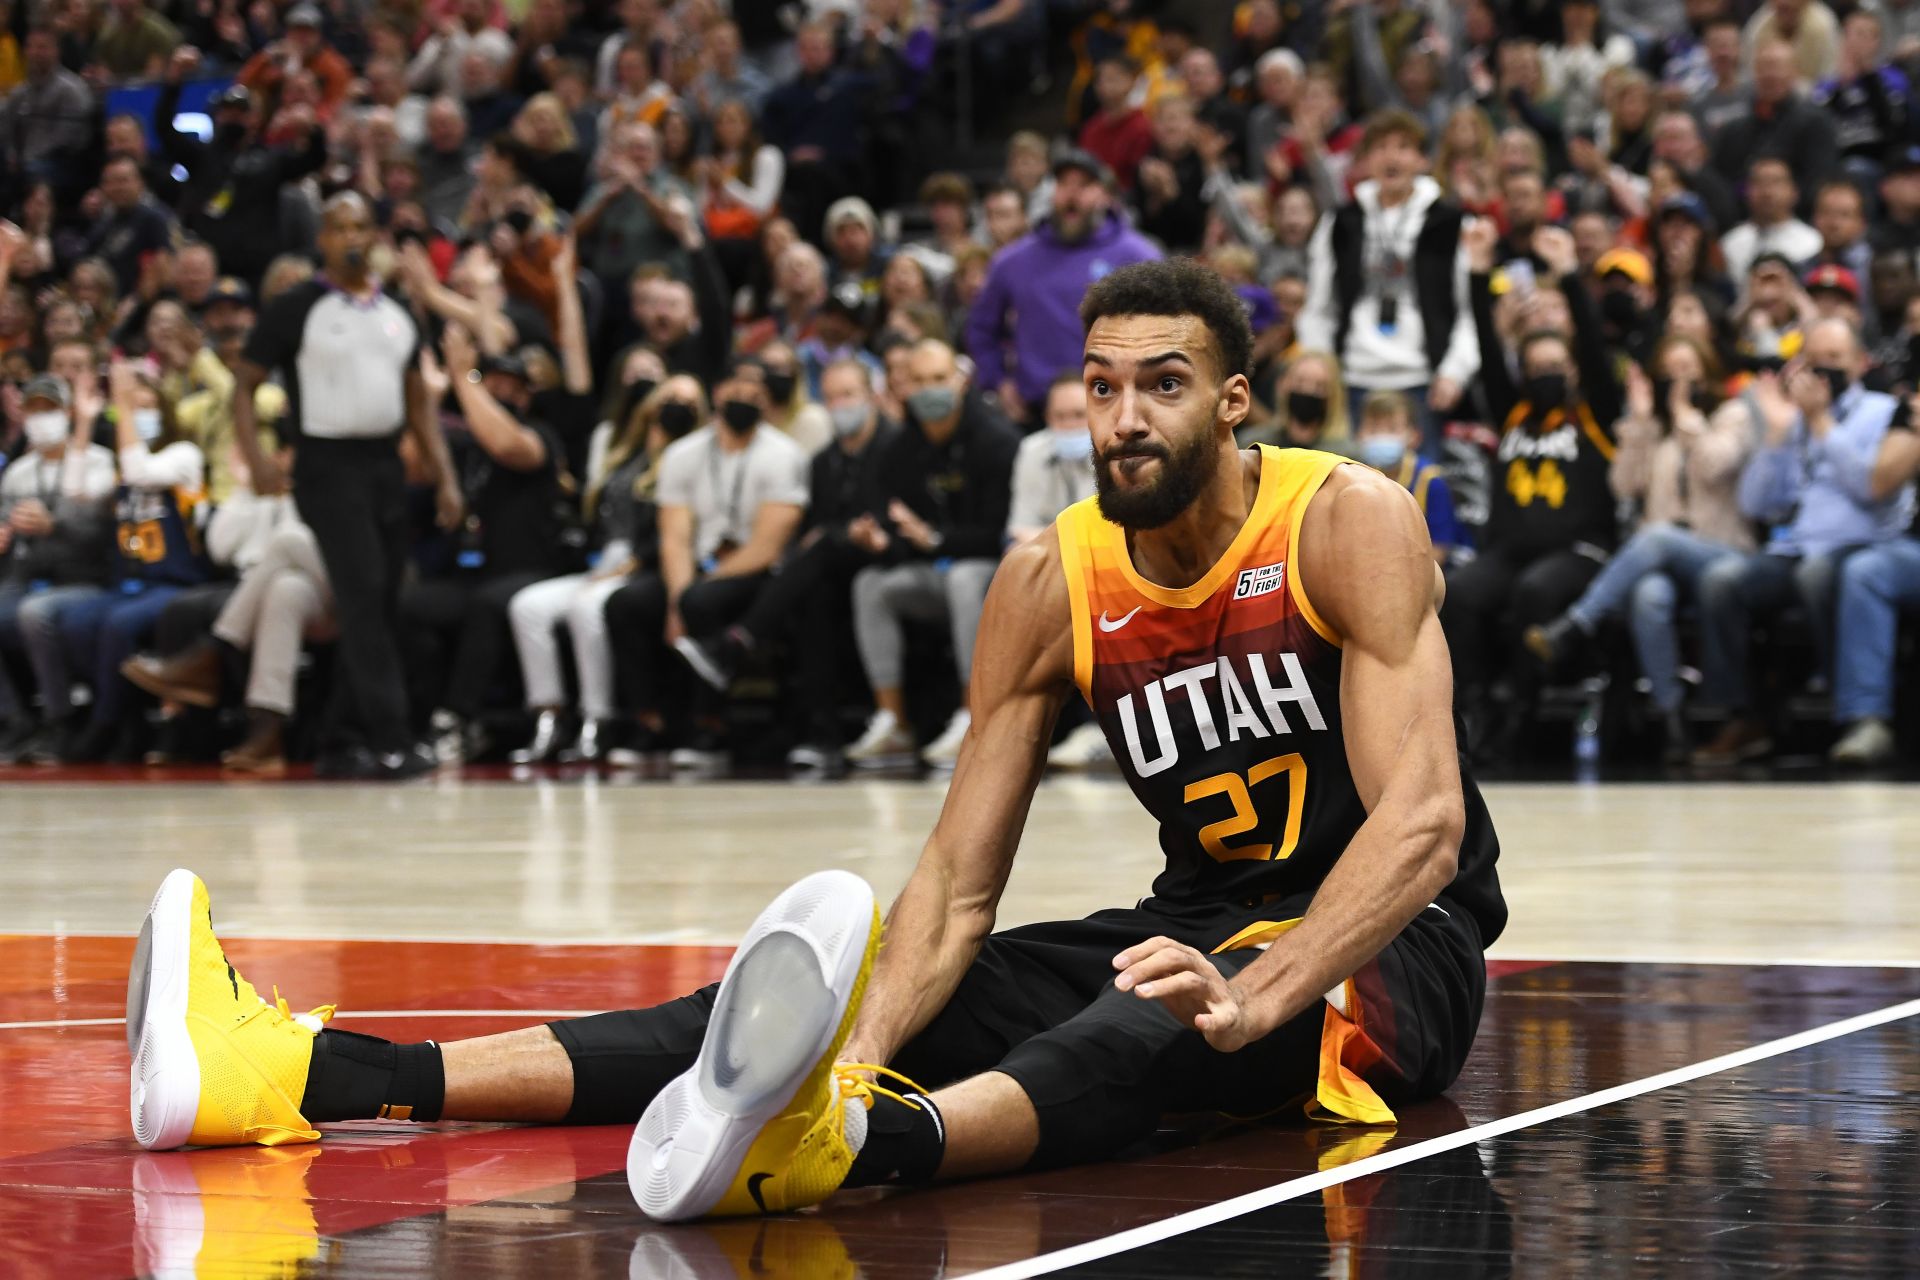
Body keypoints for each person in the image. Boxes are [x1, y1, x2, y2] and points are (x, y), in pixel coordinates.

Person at [130, 260, 1504, 1232]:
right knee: (778, 1017)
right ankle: (298, 1070)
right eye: (1102, 387)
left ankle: (854, 1150)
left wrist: (1264, 995)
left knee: (1141, 1021)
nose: (1128, 418)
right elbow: (960, 884)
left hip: (1388, 948)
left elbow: (1424, 827)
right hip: (1197, 913)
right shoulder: (1052, 578)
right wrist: (867, 1037)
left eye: (1162, 386)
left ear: (1235, 401)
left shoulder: (1345, 522)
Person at [233, 192, 461, 780]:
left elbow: (418, 402)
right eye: (340, 227)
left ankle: (338, 740)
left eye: (362, 225)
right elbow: (244, 382)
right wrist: (257, 457)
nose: (352, 236)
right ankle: (391, 739)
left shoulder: (397, 314)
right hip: (326, 465)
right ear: (323, 240)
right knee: (361, 597)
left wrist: (445, 477)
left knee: (383, 604)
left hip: (385, 464)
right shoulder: (297, 307)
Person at [1691, 319, 1916, 765]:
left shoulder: (1883, 411)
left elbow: (1873, 488)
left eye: (1835, 360)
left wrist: (1822, 425)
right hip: (1794, 549)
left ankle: (1848, 706)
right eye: (1815, 362)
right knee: (1721, 580)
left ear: (1860, 362)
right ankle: (1745, 715)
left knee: (1826, 575)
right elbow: (1755, 502)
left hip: (1863, 543)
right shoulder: (1793, 420)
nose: (1824, 371)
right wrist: (1777, 435)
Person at [1524, 337, 1758, 762]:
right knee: (1648, 596)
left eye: (1688, 370)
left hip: (1724, 553)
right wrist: (1641, 424)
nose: (1678, 382)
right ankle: (1673, 721)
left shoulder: (1732, 415)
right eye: (1669, 372)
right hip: (1663, 562)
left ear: (1707, 372)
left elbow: (1715, 464)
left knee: (1654, 536)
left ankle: (1578, 623)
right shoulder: (1656, 430)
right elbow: (1622, 486)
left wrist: (1688, 419)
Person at [1446, 221, 1622, 755]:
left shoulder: (1594, 414)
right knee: (1459, 593)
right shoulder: (1514, 412)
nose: (1547, 373)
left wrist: (1569, 276)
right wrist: (1478, 274)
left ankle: (1521, 703)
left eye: (1556, 366)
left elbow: (1592, 349)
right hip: (1510, 551)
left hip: (1579, 551)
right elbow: (1485, 342)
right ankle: (1475, 704)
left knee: (1536, 592)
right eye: (1537, 365)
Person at [674, 359, 898, 769]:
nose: (840, 405)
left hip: (886, 558)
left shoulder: (896, 446)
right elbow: (815, 530)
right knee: (813, 593)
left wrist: (853, 533)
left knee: (821, 555)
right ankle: (817, 734)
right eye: (831, 397)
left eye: (849, 394)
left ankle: (738, 643)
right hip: (829, 571)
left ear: (872, 396)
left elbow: (894, 517)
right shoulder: (823, 460)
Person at [603, 360, 808, 768]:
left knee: (702, 602)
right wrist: (678, 596)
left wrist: (698, 590)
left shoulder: (786, 454)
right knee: (624, 605)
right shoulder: (683, 454)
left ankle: (708, 726)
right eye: (738, 390)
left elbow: (768, 546)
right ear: (717, 394)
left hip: (757, 573)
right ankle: (650, 721)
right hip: (694, 568)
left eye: (756, 393)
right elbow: (675, 537)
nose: (745, 399)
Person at [505, 376, 701, 765]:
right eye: (669, 397)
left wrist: (633, 563)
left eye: (687, 401)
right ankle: (549, 717)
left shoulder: (692, 457)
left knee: (587, 608)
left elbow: (678, 530)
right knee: (528, 606)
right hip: (603, 563)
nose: (675, 406)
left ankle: (597, 721)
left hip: (647, 565)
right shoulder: (622, 451)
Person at [842, 340, 1018, 768]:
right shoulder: (902, 448)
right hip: (935, 571)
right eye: (918, 381)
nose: (928, 390)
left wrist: (936, 540)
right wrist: (886, 543)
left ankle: (971, 717)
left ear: (960, 381)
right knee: (871, 584)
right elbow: (903, 526)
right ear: (903, 388)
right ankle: (894, 723)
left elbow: (1000, 534)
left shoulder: (996, 439)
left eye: (938, 379)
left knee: (963, 576)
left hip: (994, 573)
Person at [408, 329, 570, 765]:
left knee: (487, 604)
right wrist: (427, 401)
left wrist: (465, 377)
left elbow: (506, 444)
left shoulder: (540, 435)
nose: (495, 389)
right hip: (475, 571)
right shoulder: (465, 445)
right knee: (409, 605)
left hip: (536, 571)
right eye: (489, 379)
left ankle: (458, 717)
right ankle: (419, 716)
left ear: (525, 394)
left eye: (507, 383)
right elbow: (417, 464)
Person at [1298, 109, 1477, 460]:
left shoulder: (1452, 223)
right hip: (1352, 379)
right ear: (1365, 160)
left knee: (1417, 498)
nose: (1391, 157)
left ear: (1423, 160)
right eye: (1380, 148)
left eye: (1404, 147)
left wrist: (1455, 372)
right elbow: (1318, 307)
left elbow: (1468, 311)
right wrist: (1321, 365)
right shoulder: (1340, 222)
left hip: (1423, 381)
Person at [53, 361, 207, 764]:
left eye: (145, 405)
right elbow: (74, 490)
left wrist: (119, 401)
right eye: (130, 408)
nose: (135, 416)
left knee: (117, 626)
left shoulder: (183, 455)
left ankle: (107, 723)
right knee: (76, 623)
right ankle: (124, 714)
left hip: (177, 582)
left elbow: (141, 472)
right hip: (127, 586)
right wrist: (85, 423)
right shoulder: (123, 462)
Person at [966, 150, 1160, 426]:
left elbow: (1167, 330)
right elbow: (980, 329)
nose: (1072, 195)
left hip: (1120, 410)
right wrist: (998, 382)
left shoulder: (1140, 256)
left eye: (1083, 186)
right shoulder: (1012, 261)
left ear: (1105, 195)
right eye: (1063, 184)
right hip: (1035, 411)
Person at [0, 373, 116, 762]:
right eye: (33, 409)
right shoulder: (17, 472)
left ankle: (59, 719)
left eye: (49, 409)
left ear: (68, 413)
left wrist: (55, 524)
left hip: (86, 579)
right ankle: (15, 720)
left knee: (35, 613)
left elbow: (101, 530)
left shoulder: (98, 461)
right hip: (30, 577)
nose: (40, 417)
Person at [1353, 389, 1461, 566]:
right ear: (1359, 435)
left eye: (1392, 429)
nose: (1382, 436)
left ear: (1415, 437)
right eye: (1373, 428)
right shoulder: (1354, 477)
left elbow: (1440, 549)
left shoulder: (1431, 481)